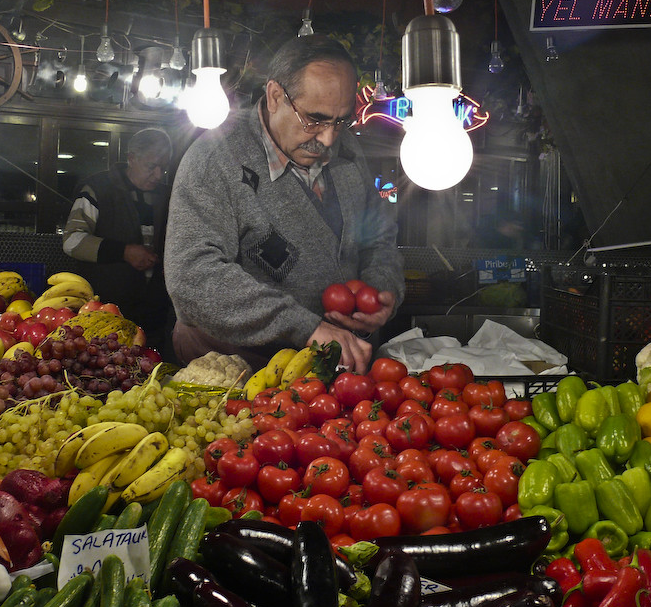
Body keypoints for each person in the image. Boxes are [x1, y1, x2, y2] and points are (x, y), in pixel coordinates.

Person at [164, 35, 405, 373]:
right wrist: (304, 326)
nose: (328, 138)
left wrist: (382, 290)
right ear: (275, 95)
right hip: (243, 367)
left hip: (343, 367)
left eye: (341, 121)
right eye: (315, 119)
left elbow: (379, 239)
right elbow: (193, 276)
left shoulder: (347, 150)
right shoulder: (215, 159)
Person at [62, 127, 174, 355]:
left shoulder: (169, 196)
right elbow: (72, 241)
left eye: (164, 168)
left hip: (156, 320)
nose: (158, 175)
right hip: (104, 317)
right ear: (131, 158)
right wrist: (123, 252)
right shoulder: (98, 189)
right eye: (152, 166)